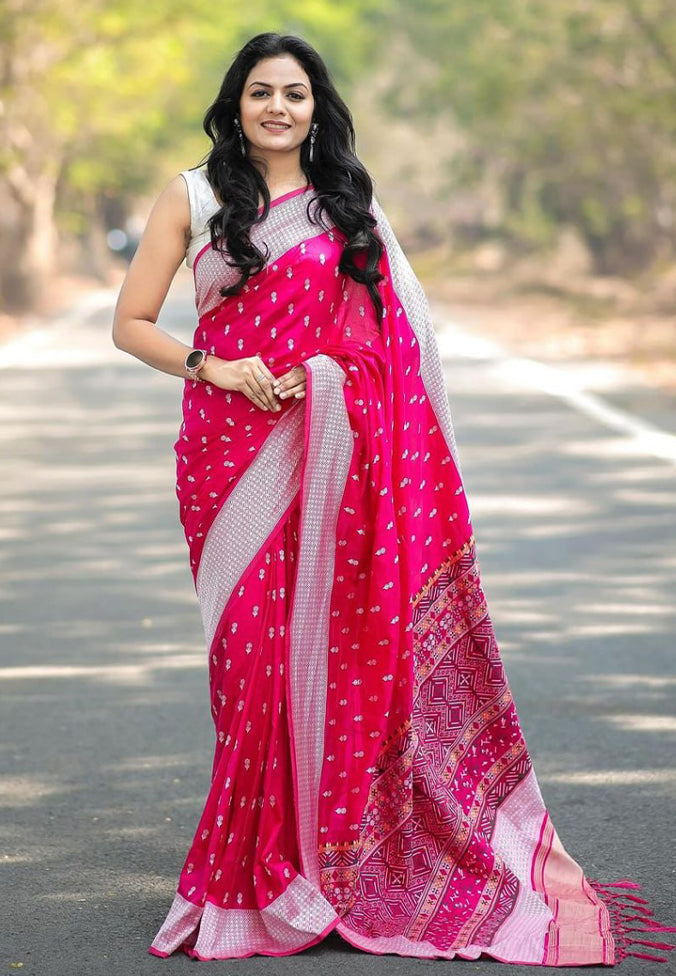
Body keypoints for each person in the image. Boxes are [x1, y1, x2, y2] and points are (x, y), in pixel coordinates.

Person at [111, 32, 675, 968]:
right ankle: (255, 875)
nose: (278, 108)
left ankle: (327, 868)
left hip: (336, 454)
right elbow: (130, 324)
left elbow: (392, 338)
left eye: (295, 93)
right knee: (250, 671)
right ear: (235, 103)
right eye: (261, 92)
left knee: (335, 657)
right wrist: (218, 366)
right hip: (229, 455)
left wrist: (329, 378)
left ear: (317, 108)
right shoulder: (195, 197)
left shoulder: (347, 203)